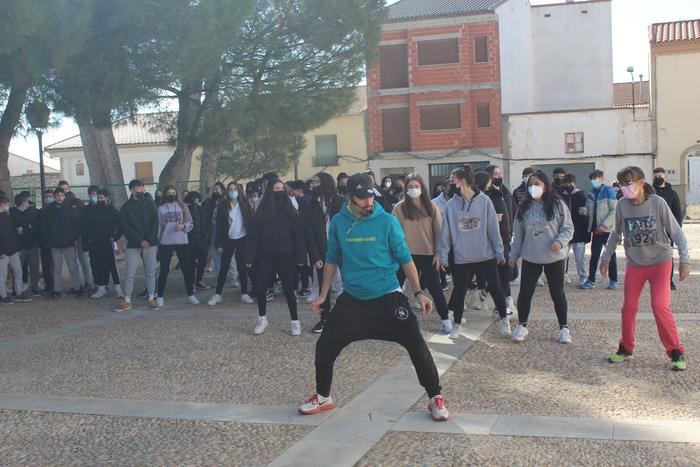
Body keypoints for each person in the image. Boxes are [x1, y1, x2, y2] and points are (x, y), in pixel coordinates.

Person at [300, 173, 449, 421]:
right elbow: (332, 259)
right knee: (324, 347)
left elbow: (405, 258)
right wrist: (323, 294)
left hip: (388, 297)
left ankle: (435, 397)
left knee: (417, 346)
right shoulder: (339, 222)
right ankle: (323, 396)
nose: (368, 203)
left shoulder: (387, 221)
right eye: (362, 199)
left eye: (371, 197)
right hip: (353, 299)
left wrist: (419, 292)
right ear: (350, 198)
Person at [602, 166, 689, 371]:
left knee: (660, 306)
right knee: (629, 307)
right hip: (635, 264)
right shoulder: (622, 205)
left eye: (629, 183)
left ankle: (675, 351)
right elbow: (616, 233)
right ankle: (626, 347)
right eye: (622, 184)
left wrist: (684, 260)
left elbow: (676, 233)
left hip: (660, 262)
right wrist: (605, 258)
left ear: (641, 182)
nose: (625, 188)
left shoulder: (657, 203)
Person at [439, 166, 510, 339]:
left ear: (462, 181)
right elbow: (445, 233)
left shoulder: (484, 201)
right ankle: (456, 324)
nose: (451, 183)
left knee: (495, 288)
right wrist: (443, 255)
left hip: (485, 255)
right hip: (462, 257)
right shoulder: (451, 205)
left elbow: (493, 228)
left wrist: (499, 251)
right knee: (460, 290)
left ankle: (503, 319)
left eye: (453, 179)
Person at [509, 171, 574, 343]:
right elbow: (518, 235)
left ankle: (564, 328)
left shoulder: (558, 205)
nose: (533, 187)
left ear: (545, 185)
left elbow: (568, 228)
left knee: (557, 293)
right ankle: (522, 325)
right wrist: (513, 255)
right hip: (531, 257)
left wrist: (559, 242)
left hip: (554, 257)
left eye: (537, 183)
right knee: (525, 293)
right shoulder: (523, 208)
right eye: (530, 184)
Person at [392, 174, 451, 333]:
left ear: (422, 188)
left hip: (428, 254)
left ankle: (445, 319)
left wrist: (439, 254)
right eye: (410, 187)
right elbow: (391, 232)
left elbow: (439, 232)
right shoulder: (399, 208)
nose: (413, 190)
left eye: (416, 186)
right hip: (404, 255)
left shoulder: (431, 207)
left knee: (435, 288)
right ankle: (394, 319)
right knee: (395, 288)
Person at [252, 178, 306, 336]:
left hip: (286, 255)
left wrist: (300, 257)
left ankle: (295, 321)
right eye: (276, 189)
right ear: (270, 191)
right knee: (261, 288)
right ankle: (262, 318)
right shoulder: (262, 211)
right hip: (265, 255)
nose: (279, 192)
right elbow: (254, 235)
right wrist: (249, 257)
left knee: (290, 290)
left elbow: (298, 235)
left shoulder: (290, 210)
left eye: (282, 188)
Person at [305, 172, 345, 333]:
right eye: (313, 181)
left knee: (348, 285)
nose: (314, 184)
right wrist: (315, 256)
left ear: (326, 183)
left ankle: (348, 317)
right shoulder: (312, 205)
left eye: (317, 181)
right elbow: (309, 233)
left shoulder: (341, 202)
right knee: (324, 287)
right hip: (322, 252)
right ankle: (325, 318)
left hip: (342, 250)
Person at [208, 182, 256, 306]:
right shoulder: (222, 206)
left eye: (235, 189)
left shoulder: (246, 205)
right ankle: (218, 294)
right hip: (227, 240)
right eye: (230, 189)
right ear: (227, 191)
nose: (233, 191)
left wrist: (251, 241)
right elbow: (218, 226)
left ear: (239, 191)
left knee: (243, 267)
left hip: (242, 239)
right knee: (224, 267)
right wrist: (218, 243)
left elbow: (251, 223)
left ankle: (244, 293)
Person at [476, 171, 517, 316]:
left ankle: (490, 294)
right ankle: (499, 306)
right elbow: (475, 220)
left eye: (500, 173)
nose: (499, 176)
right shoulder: (483, 197)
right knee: (505, 271)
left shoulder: (504, 193)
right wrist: (493, 218)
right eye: (495, 174)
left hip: (504, 238)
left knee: (505, 272)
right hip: (492, 241)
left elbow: (512, 211)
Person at [116, 179, 160, 312]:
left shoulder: (151, 204)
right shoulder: (126, 207)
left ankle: (151, 298)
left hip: (150, 243)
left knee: (151, 272)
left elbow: (155, 223)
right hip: (134, 244)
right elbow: (125, 227)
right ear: (132, 190)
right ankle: (127, 299)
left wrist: (148, 239)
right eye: (138, 188)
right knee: (130, 272)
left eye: (142, 187)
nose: (141, 190)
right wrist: (140, 240)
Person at [156, 186, 198, 307]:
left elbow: (190, 222)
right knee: (164, 270)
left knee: (187, 269)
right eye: (169, 193)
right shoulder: (161, 209)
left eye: (173, 192)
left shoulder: (183, 207)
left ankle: (190, 295)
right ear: (165, 195)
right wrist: (157, 243)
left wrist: (184, 227)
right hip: (165, 242)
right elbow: (159, 227)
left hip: (182, 241)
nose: (171, 195)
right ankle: (160, 296)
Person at [581, 170, 618, 290]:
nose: (594, 181)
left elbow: (614, 210)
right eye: (592, 178)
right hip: (596, 230)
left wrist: (605, 225)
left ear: (602, 178)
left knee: (610, 255)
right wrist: (584, 211)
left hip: (607, 230)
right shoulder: (591, 193)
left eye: (596, 178)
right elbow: (589, 209)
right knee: (594, 255)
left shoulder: (609, 191)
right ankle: (591, 280)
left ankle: (613, 280)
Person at [83, 189, 122, 299]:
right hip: (95, 243)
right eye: (98, 197)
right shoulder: (92, 211)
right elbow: (86, 226)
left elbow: (121, 225)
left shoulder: (112, 211)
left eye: (101, 197)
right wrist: (88, 240)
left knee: (111, 266)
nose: (99, 199)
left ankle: (118, 288)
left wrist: (115, 237)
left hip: (107, 242)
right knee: (96, 266)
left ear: (107, 198)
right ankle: (101, 287)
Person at [45, 188, 82, 298]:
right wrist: (50, 239)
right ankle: (56, 290)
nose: (59, 197)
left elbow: (77, 226)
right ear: (54, 196)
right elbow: (46, 226)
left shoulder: (71, 208)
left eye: (61, 195)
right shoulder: (50, 209)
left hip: (68, 243)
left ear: (64, 196)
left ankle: (77, 288)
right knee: (57, 267)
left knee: (72, 266)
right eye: (57, 195)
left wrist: (72, 238)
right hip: (55, 244)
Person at [652, 167, 684, 290]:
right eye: (655, 177)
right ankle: (654, 279)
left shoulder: (672, 193)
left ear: (665, 177)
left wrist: (676, 231)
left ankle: (668, 280)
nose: (657, 178)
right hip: (652, 230)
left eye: (660, 176)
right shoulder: (649, 192)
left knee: (667, 256)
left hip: (667, 231)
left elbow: (678, 214)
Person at [0, 196, 31, 304]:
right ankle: (3, 296)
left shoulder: (7, 216)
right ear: (2, 205)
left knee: (19, 271)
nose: (8, 206)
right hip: (2, 253)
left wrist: (17, 248)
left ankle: (18, 293)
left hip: (13, 251)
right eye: (7, 204)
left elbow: (13, 234)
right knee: (2, 276)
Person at [560, 173, 589, 285]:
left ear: (575, 183)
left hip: (579, 233)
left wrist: (586, 234)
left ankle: (583, 276)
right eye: (566, 184)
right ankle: (562, 275)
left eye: (570, 183)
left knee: (580, 258)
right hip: (565, 232)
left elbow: (586, 216)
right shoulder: (561, 198)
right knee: (562, 256)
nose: (568, 186)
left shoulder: (581, 197)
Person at [10, 194, 41, 296]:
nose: (28, 204)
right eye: (26, 202)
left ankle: (35, 287)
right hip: (20, 249)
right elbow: (14, 234)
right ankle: (16, 289)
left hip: (33, 246)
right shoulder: (12, 214)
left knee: (34, 269)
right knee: (17, 270)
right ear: (23, 203)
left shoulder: (31, 212)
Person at [38, 189, 55, 293]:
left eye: (50, 196)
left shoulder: (56, 210)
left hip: (54, 243)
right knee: (45, 265)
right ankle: (48, 284)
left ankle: (54, 285)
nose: (48, 198)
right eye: (46, 196)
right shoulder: (41, 211)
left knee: (55, 265)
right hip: (44, 243)